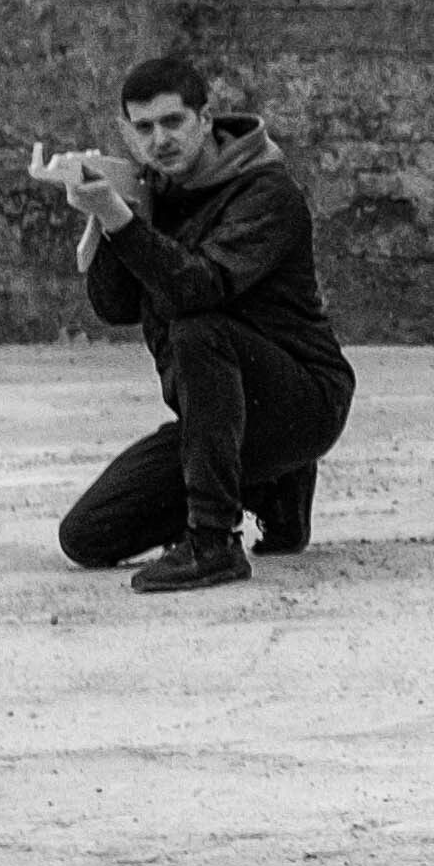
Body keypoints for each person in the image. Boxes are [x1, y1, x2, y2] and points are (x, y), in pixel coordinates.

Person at [31, 57, 357, 595]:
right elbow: (115, 307)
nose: (160, 140)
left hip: (304, 403)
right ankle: (274, 488)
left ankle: (213, 542)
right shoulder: (156, 191)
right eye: (144, 128)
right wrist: (119, 208)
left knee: (197, 329)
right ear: (126, 133)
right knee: (87, 536)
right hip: (217, 417)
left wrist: (122, 220)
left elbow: (197, 289)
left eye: (173, 122)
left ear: (205, 120)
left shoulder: (267, 193)